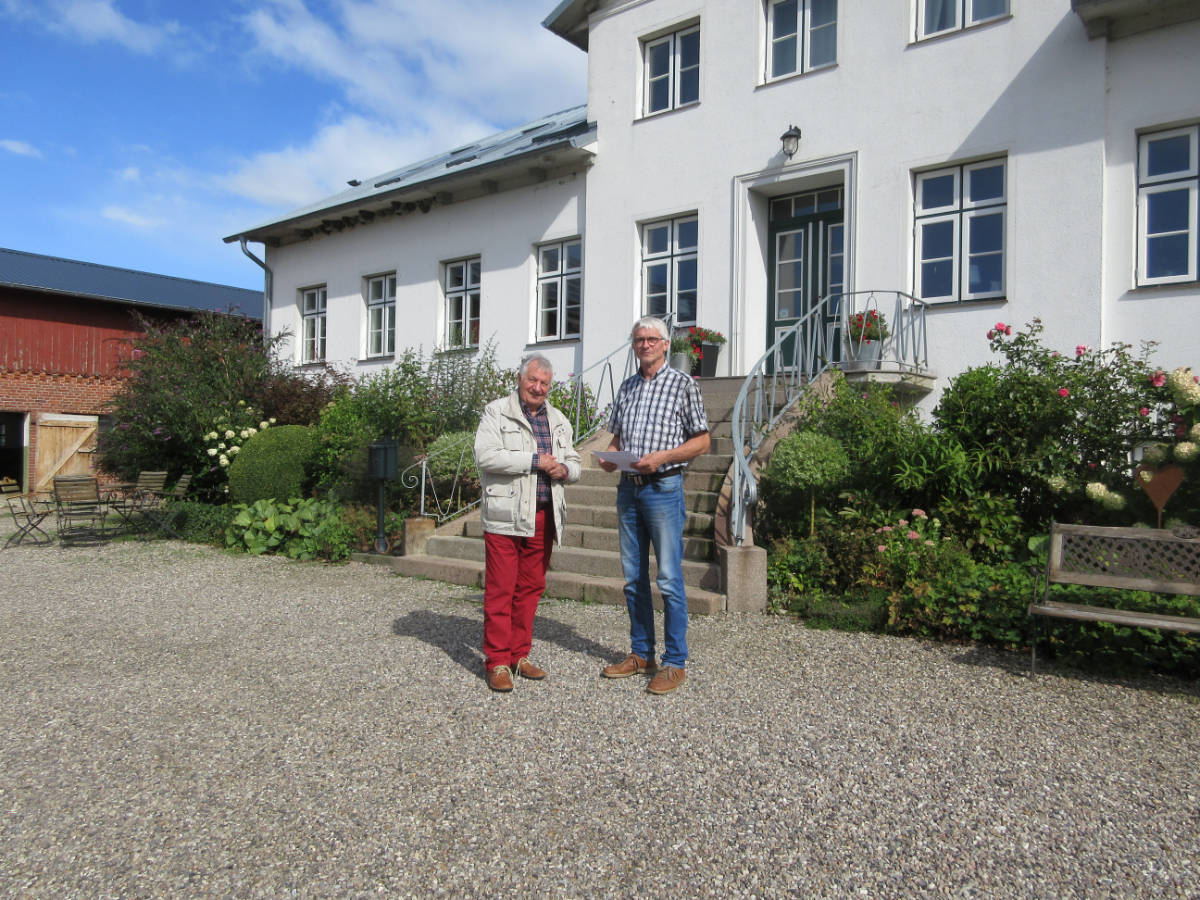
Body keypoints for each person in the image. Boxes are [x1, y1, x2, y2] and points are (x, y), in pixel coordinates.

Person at [597, 316, 710, 694]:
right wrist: (609, 457)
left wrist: (663, 458)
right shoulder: (627, 387)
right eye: (638, 339)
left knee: (669, 580)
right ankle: (641, 654)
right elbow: (616, 440)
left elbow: (702, 441)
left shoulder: (683, 385)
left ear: (665, 345)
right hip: (628, 490)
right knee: (633, 579)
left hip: (663, 488)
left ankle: (675, 662)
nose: (644, 345)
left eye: (650, 339)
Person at [474, 354, 581, 692]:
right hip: (506, 516)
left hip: (543, 516)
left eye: (544, 383)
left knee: (531, 588)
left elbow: (575, 461)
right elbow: (486, 456)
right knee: (501, 589)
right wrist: (535, 461)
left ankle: (519, 654)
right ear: (520, 379)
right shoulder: (497, 411)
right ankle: (498, 661)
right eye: (533, 380)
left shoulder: (559, 419)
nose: (538, 388)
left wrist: (564, 469)